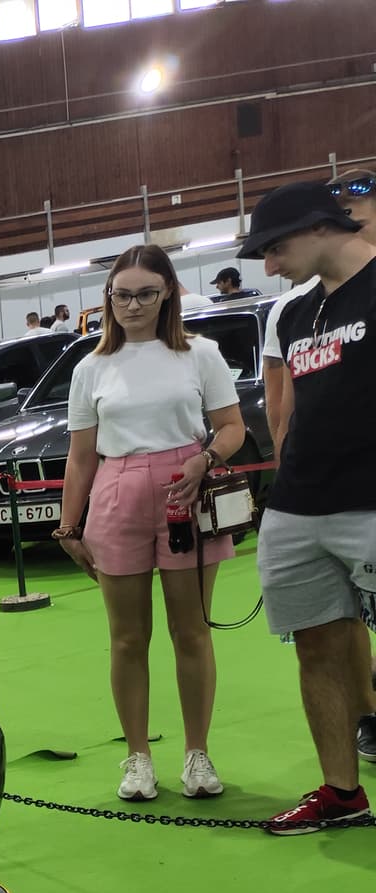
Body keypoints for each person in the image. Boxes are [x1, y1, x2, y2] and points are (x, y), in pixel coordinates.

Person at [53, 243, 247, 805]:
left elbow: (232, 427)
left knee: (192, 631)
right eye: (121, 295)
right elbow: (80, 457)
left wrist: (206, 458)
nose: (132, 305)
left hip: (187, 490)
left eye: (145, 294)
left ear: (167, 295)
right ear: (108, 298)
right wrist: (68, 527)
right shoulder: (90, 368)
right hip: (117, 493)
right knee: (127, 637)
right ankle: (137, 757)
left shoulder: (200, 354)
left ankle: (197, 753)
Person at [236, 179, 376, 833]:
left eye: (275, 248)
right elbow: (288, 413)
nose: (268, 266)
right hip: (297, 508)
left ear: (321, 226)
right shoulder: (294, 315)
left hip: (369, 503)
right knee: (316, 649)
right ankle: (342, 794)